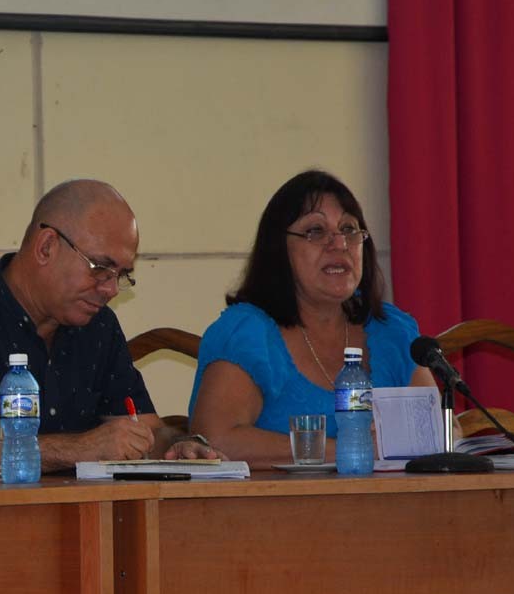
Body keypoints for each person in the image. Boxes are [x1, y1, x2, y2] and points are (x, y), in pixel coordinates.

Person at [0, 179, 217, 475]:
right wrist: (81, 449)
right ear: (46, 247)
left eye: (122, 275)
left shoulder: (97, 328)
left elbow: (144, 430)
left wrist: (181, 445)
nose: (111, 289)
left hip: (71, 524)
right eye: (101, 268)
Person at [187, 169, 437, 469]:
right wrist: (352, 449)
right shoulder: (248, 333)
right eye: (315, 231)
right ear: (279, 249)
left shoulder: (393, 332)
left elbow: (436, 433)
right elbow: (214, 441)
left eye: (349, 229)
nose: (339, 244)